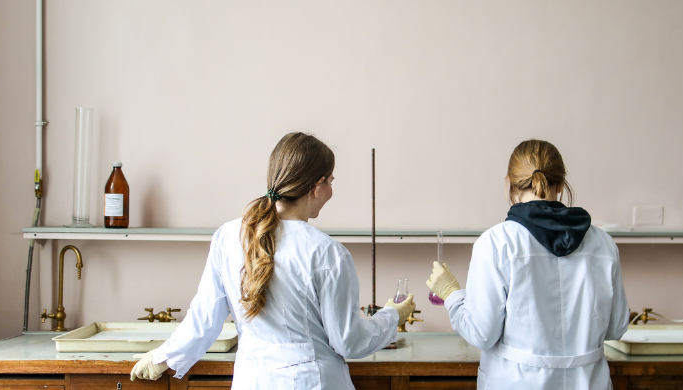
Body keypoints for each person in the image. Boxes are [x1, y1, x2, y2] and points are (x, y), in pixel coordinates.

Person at [130, 132, 416, 389]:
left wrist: (163, 357)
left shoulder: (228, 237)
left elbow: (204, 321)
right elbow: (349, 341)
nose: (331, 190)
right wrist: (392, 315)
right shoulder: (327, 253)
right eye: (329, 181)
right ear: (316, 187)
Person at [427, 139, 628, 390]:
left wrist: (451, 294)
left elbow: (481, 333)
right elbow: (617, 327)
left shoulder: (496, 242)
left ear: (509, 185)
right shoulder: (603, 244)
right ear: (562, 183)